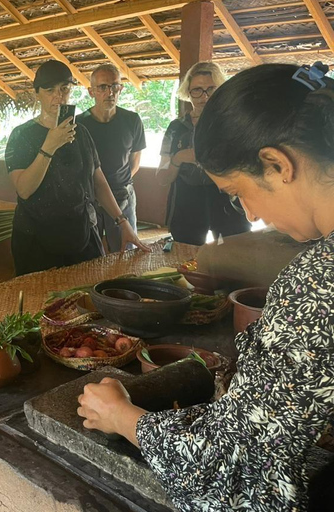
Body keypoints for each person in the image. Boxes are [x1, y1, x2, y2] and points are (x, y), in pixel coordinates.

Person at [78, 63, 334, 511]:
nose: (250, 214)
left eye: (238, 192)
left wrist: (124, 418)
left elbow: (234, 464)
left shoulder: (319, 280)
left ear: (277, 165)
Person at [4, 59, 149, 276]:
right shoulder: (22, 135)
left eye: (64, 89)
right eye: (49, 89)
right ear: (37, 93)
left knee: (88, 296)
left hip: (81, 233)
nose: (58, 96)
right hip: (36, 238)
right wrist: (49, 147)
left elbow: (98, 181)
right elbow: (24, 189)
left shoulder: (80, 132)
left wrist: (122, 222)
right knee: (42, 305)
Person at [155, 61, 251, 245]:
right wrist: (178, 158)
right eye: (197, 90)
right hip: (187, 203)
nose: (204, 96)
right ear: (188, 92)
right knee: (186, 260)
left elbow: (247, 168)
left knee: (234, 258)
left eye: (210, 89)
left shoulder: (233, 124)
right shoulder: (176, 128)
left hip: (227, 201)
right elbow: (162, 178)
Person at [76, 64, 146, 252]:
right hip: (90, 198)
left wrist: (119, 186)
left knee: (126, 251)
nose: (110, 93)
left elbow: (135, 162)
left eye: (115, 86)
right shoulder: (79, 125)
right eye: (103, 87)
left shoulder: (132, 120)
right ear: (91, 92)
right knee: (90, 253)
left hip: (122, 195)